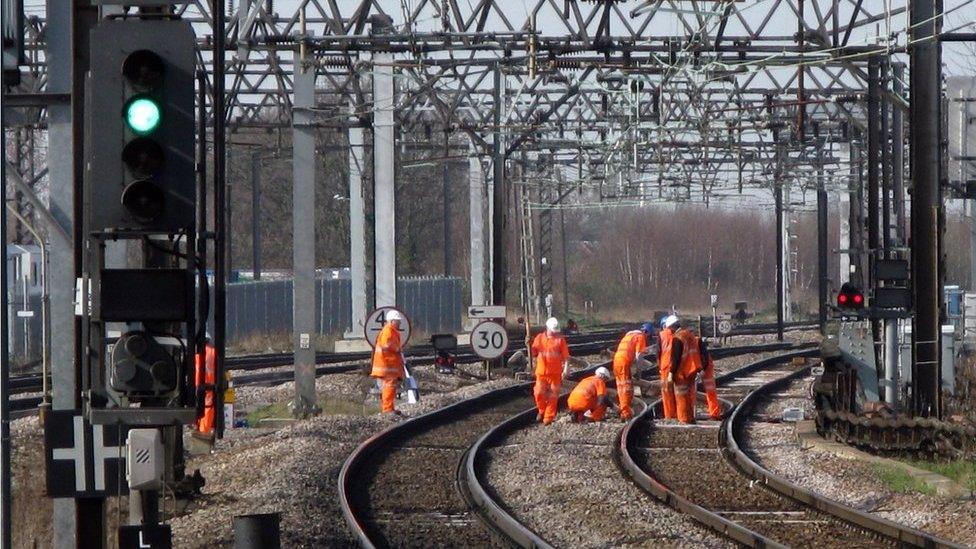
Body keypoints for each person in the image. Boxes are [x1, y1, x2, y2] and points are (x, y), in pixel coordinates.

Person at [531, 317, 570, 425]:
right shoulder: (539, 338)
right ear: (548, 328)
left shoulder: (560, 340)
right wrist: (529, 344)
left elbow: (566, 356)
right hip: (541, 372)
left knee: (553, 396)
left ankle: (548, 418)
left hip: (555, 373)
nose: (554, 333)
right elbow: (533, 352)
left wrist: (566, 367)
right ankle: (542, 410)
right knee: (538, 393)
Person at [612, 323, 653, 420]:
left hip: (617, 362)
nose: (648, 338)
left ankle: (625, 408)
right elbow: (639, 356)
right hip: (624, 363)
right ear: (646, 332)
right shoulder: (640, 337)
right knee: (626, 388)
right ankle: (625, 413)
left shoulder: (629, 336)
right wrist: (639, 371)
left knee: (622, 387)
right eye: (649, 335)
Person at [666, 322, 702, 424]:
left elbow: (675, 358)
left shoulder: (677, 338)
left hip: (682, 372)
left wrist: (671, 373)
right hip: (692, 369)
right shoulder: (688, 334)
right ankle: (690, 418)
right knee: (688, 395)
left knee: (681, 396)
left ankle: (684, 419)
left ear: (672, 327)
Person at [371, 310, 405, 414]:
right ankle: (387, 409)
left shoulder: (392, 330)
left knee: (391, 386)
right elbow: (387, 344)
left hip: (389, 364)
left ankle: (389, 407)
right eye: (397, 321)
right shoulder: (388, 330)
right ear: (391, 321)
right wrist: (397, 349)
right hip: (386, 365)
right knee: (389, 386)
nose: (399, 323)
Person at [657, 315, 679, 419]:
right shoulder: (679, 334)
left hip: (665, 367)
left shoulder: (661, 335)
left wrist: (660, 367)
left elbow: (658, 353)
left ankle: (669, 415)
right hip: (677, 366)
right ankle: (679, 413)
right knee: (678, 392)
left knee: (666, 393)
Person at [699, 338, 722, 420]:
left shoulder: (696, 341)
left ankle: (715, 414)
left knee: (710, 391)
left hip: (705, 366)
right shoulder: (684, 340)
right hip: (699, 366)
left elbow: (703, 357)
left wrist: (701, 370)